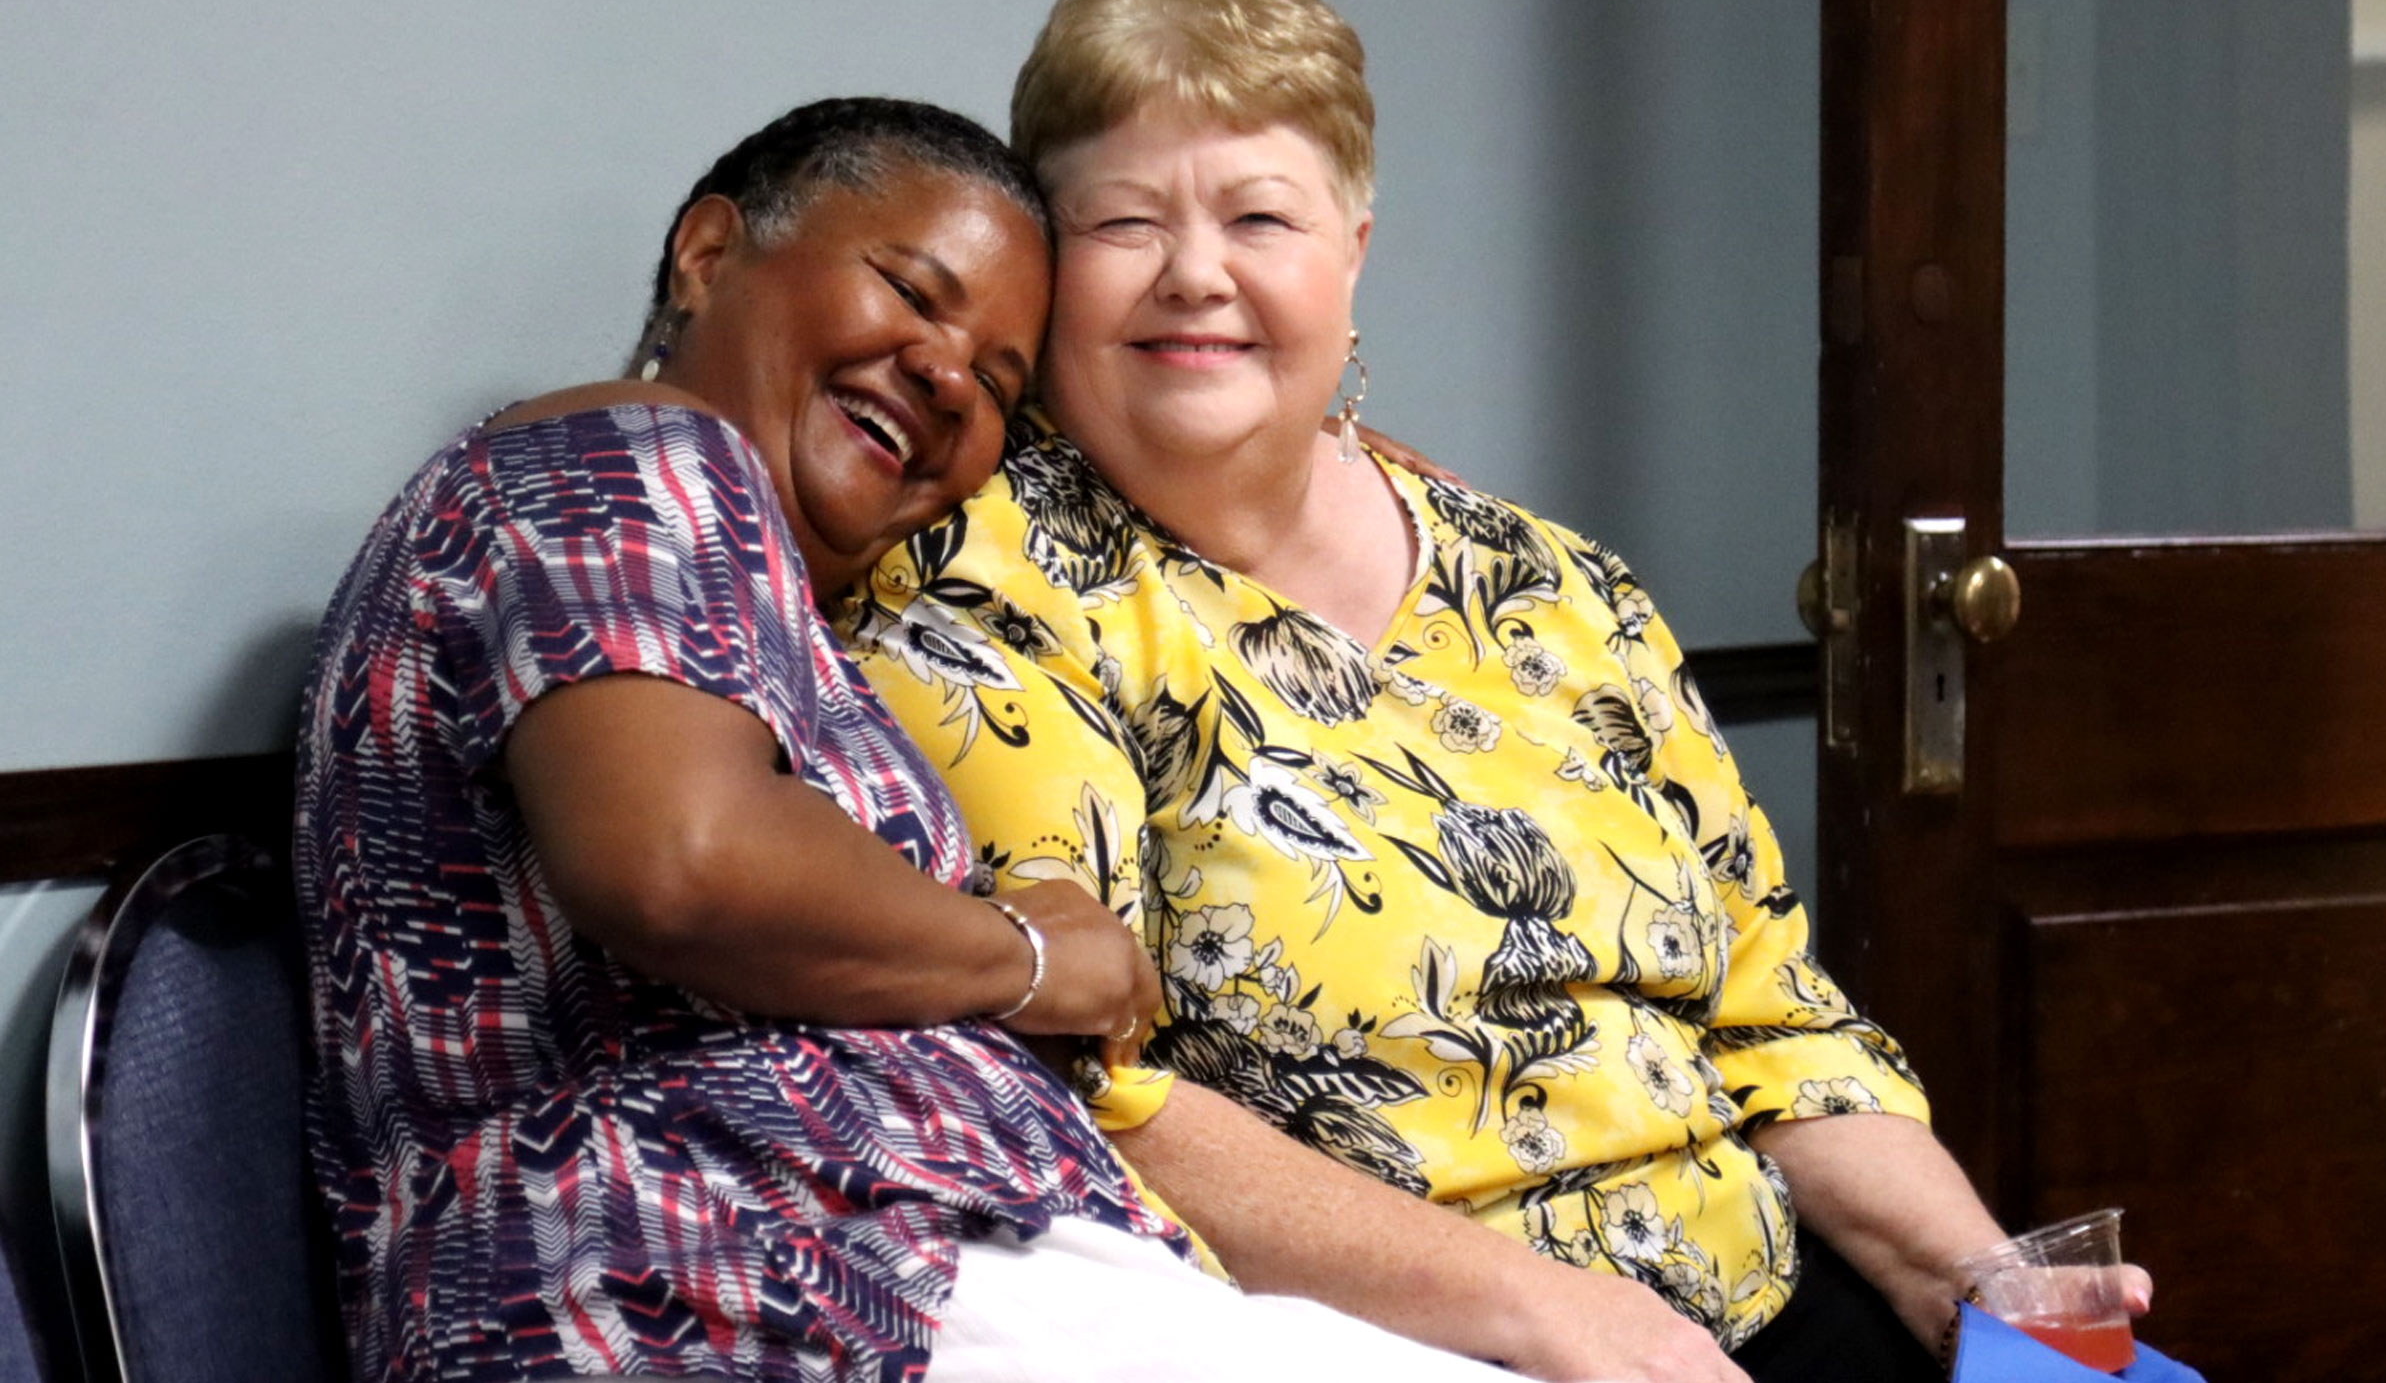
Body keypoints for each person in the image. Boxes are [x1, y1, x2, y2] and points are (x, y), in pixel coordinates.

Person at [848, 0, 2149, 1383]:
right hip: (1406, 1341)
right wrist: (1556, 1314)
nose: (1196, 273)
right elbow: (1089, 1088)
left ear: (1352, 248)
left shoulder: (1552, 582)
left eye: (1260, 214)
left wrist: (1978, 1280)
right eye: (1125, 220)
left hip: (1757, 1294)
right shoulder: (990, 590)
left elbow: (1782, 1028)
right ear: (1047, 259)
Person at [293, 96, 1526, 1383]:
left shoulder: (765, 600)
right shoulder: (620, 449)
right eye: (910, 292)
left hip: (894, 1273)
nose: (947, 376)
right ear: (708, 256)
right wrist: (1031, 958)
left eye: (998, 383)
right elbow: (683, 861)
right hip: (718, 1265)